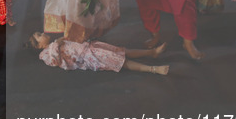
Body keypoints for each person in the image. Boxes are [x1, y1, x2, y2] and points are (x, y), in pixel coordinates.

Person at [26, 32, 169, 75]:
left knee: (123, 51)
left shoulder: (55, 42)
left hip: (92, 46)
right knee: (122, 62)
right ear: (39, 46)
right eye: (40, 35)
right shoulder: (46, 54)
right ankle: (154, 69)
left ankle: (152, 52)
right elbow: (54, 61)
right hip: (90, 56)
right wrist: (57, 43)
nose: (43, 33)